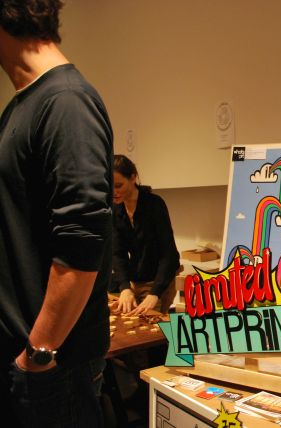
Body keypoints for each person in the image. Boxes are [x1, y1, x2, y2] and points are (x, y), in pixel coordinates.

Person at [0, 1, 113, 426]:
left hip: (49, 370)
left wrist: (38, 354)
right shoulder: (22, 105)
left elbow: (82, 242)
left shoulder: (66, 101)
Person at [112, 154, 180, 315]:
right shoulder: (115, 209)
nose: (114, 192)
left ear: (133, 177)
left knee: (151, 325)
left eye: (119, 185)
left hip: (160, 279)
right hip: (136, 280)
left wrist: (155, 293)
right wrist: (125, 287)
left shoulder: (154, 204)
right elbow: (117, 253)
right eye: (109, 186)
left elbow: (169, 254)